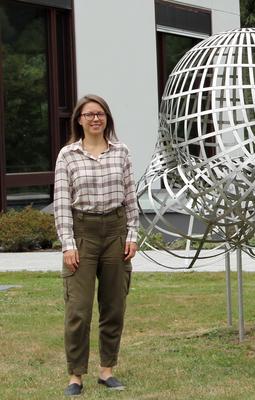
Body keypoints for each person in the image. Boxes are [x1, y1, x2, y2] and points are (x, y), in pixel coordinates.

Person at [54, 94, 139, 395]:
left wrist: (131, 235)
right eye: (89, 114)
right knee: (78, 309)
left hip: (116, 232)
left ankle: (107, 370)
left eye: (100, 114)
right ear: (79, 119)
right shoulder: (67, 155)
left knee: (114, 305)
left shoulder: (121, 151)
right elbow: (62, 204)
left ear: (107, 118)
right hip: (83, 233)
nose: (95, 119)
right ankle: (75, 376)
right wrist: (67, 244)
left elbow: (130, 197)